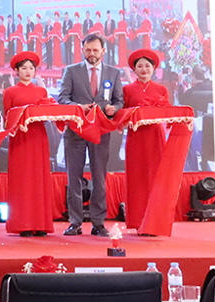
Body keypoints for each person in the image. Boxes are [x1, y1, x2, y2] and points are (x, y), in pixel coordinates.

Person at [57, 33, 124, 236]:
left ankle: (98, 223)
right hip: (76, 131)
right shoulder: (71, 71)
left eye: (95, 50)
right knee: (74, 177)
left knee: (99, 177)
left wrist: (114, 108)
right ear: (82, 50)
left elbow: (119, 101)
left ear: (103, 51)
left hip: (101, 131)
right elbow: (62, 99)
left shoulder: (113, 73)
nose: (91, 54)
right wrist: (79, 107)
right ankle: (75, 222)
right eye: (88, 50)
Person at [2, 51, 54, 236]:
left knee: (39, 178)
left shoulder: (41, 91)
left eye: (31, 68)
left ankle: (41, 223)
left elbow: (47, 114)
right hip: (20, 138)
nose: (28, 71)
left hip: (38, 137)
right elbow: (7, 117)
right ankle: (23, 223)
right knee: (22, 179)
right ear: (17, 71)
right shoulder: (10, 92)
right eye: (24, 68)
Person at [123, 48, 169, 232]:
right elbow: (122, 113)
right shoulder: (127, 90)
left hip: (155, 137)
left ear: (153, 68)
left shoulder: (161, 89)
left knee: (156, 177)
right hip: (136, 137)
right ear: (134, 69)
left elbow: (167, 112)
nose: (144, 69)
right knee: (137, 178)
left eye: (147, 66)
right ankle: (137, 221)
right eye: (140, 66)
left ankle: (156, 221)